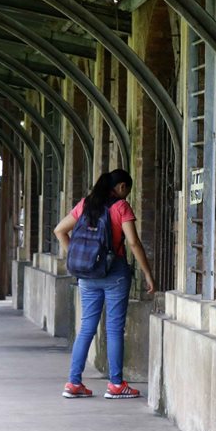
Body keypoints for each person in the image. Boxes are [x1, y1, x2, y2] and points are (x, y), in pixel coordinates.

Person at [53, 169, 156, 399]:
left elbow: (59, 230)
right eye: (126, 190)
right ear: (120, 187)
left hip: (88, 275)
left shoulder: (86, 204)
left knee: (87, 327)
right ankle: (116, 384)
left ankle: (73, 383)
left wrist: (80, 259)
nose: (126, 195)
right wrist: (147, 273)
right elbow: (133, 243)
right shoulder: (121, 207)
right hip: (114, 273)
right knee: (114, 328)